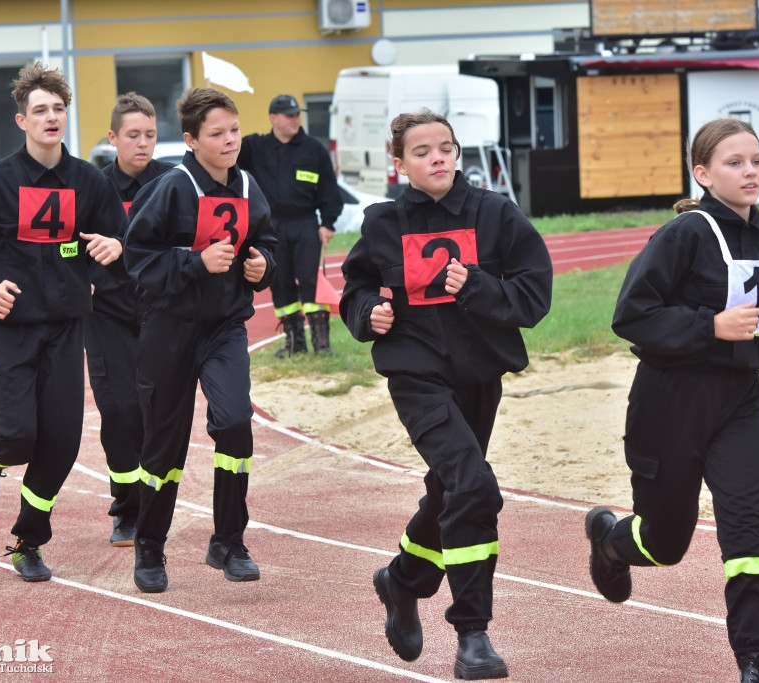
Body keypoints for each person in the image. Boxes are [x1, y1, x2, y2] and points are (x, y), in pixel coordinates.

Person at [584, 118, 759, 683]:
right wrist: (710, 327)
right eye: (734, 162)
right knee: (666, 542)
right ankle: (609, 540)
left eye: (755, 160)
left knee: (749, 528)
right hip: (669, 403)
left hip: (739, 402)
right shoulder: (684, 235)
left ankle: (755, 661)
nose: (750, 171)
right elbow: (632, 316)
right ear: (702, 174)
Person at [340, 110, 552, 680]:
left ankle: (402, 580)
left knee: (450, 490)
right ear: (400, 162)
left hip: (479, 375)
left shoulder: (495, 214)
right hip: (416, 377)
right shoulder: (383, 222)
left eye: (446, 148)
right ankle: (473, 635)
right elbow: (355, 287)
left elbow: (533, 298)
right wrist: (368, 314)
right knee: (475, 486)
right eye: (422, 150)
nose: (437, 158)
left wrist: (477, 285)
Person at [0, 63, 128, 582]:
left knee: (63, 443)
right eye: (41, 110)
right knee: (18, 437)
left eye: (59, 109)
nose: (51, 117)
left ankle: (29, 539)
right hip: (10, 329)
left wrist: (112, 252)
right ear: (22, 120)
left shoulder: (91, 183)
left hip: (68, 330)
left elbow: (119, 246)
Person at [123, 87, 277, 594]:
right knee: (163, 447)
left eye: (234, 130)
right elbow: (137, 256)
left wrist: (263, 264)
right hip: (169, 330)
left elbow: (266, 240)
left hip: (224, 328)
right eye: (218, 134)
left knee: (235, 423)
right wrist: (194, 262)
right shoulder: (172, 186)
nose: (230, 140)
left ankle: (229, 541)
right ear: (191, 140)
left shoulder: (250, 186)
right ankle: (150, 547)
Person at [89, 92, 175, 547]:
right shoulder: (94, 187)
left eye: (150, 136)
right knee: (119, 411)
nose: (143, 144)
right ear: (113, 137)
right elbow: (67, 244)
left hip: (159, 314)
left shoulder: (173, 184)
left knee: (155, 414)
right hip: (105, 315)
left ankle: (154, 504)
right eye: (133, 136)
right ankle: (126, 508)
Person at [238, 93, 342, 356]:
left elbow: (330, 190)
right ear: (273, 118)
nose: (296, 119)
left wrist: (327, 223)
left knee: (310, 280)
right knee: (280, 281)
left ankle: (322, 342)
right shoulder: (255, 147)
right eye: (289, 115)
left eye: (298, 114)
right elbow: (225, 155)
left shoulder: (314, 149)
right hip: (270, 227)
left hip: (306, 224)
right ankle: (294, 342)